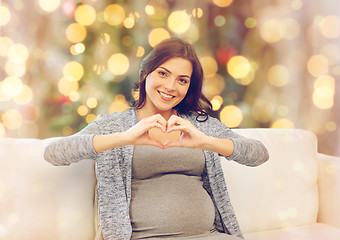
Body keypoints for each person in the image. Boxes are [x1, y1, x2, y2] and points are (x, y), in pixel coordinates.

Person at [44, 37, 269, 240]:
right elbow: (54, 153)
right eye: (163, 73)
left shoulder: (200, 126)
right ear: (145, 75)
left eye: (182, 80)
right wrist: (124, 138)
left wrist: (206, 142)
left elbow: (259, 154)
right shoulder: (115, 126)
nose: (170, 87)